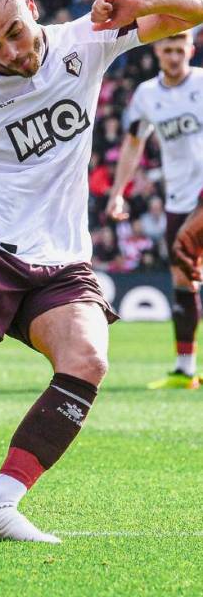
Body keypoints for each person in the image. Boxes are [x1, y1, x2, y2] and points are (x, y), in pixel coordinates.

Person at [0, 0, 203, 543]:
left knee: (88, 358)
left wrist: (141, 2)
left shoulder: (83, 42)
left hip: (61, 258)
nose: (10, 52)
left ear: (33, 8)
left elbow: (196, 7)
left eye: (16, 31)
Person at [104, 31, 203, 388]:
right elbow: (133, 142)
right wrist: (118, 193)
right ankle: (185, 369)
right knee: (182, 278)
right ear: (158, 51)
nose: (175, 56)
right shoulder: (147, 95)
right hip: (178, 196)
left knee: (183, 252)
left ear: (191, 49)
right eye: (168, 49)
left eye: (181, 49)